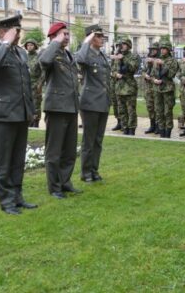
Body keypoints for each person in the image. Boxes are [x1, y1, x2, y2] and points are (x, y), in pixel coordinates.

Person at [0, 15, 37, 215]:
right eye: (15, 31)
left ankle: (17, 196)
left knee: (18, 160)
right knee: (3, 161)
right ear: (3, 32)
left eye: (19, 31)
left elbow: (25, 86)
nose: (19, 35)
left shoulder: (20, 54)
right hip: (2, 115)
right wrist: (4, 44)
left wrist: (30, 110)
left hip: (20, 114)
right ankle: (6, 202)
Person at [40, 22, 81, 199]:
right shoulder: (49, 52)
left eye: (67, 34)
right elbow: (44, 61)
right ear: (54, 36)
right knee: (54, 151)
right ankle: (54, 187)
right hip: (56, 107)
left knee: (69, 150)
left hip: (71, 107)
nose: (67, 36)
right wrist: (55, 43)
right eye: (63, 34)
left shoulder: (67, 54)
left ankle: (65, 182)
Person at [75, 25, 110, 183]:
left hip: (102, 102)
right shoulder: (86, 53)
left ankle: (94, 170)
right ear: (90, 38)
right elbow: (79, 59)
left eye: (102, 36)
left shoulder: (101, 55)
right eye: (98, 36)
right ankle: (85, 172)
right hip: (90, 103)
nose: (102, 38)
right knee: (88, 141)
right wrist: (86, 42)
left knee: (98, 140)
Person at [114, 38, 141, 135]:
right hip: (119, 87)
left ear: (129, 46)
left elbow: (133, 68)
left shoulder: (133, 56)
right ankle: (125, 128)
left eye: (124, 44)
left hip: (129, 87)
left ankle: (131, 129)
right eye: (121, 44)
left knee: (131, 110)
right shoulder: (117, 56)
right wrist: (115, 74)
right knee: (121, 110)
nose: (122, 46)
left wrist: (123, 59)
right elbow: (112, 69)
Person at [152, 40, 179, 138]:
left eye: (164, 49)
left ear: (168, 50)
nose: (162, 50)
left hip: (168, 89)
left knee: (167, 112)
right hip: (158, 89)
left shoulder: (172, 61)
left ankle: (168, 132)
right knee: (159, 111)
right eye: (161, 49)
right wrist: (154, 80)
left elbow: (171, 74)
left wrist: (163, 64)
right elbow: (152, 74)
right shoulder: (157, 60)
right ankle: (161, 131)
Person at [24, 39, 43, 128]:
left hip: (35, 85)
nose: (29, 47)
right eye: (28, 45)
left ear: (35, 46)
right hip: (26, 85)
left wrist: (40, 83)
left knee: (36, 104)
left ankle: (36, 123)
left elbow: (43, 72)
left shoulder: (39, 57)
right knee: (26, 104)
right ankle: (28, 121)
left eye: (31, 45)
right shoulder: (24, 57)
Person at [143, 42, 160, 134]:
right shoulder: (147, 60)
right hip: (148, 87)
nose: (152, 51)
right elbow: (143, 70)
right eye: (151, 49)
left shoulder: (159, 60)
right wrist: (145, 75)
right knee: (150, 107)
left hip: (156, 87)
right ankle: (152, 125)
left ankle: (158, 126)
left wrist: (152, 78)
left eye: (154, 49)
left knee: (157, 107)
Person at [109, 41, 123, 132]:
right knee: (115, 103)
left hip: (121, 83)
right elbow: (111, 69)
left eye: (119, 46)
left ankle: (123, 122)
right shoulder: (114, 57)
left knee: (121, 104)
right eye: (116, 46)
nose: (117, 48)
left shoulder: (123, 57)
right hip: (113, 82)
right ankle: (118, 122)